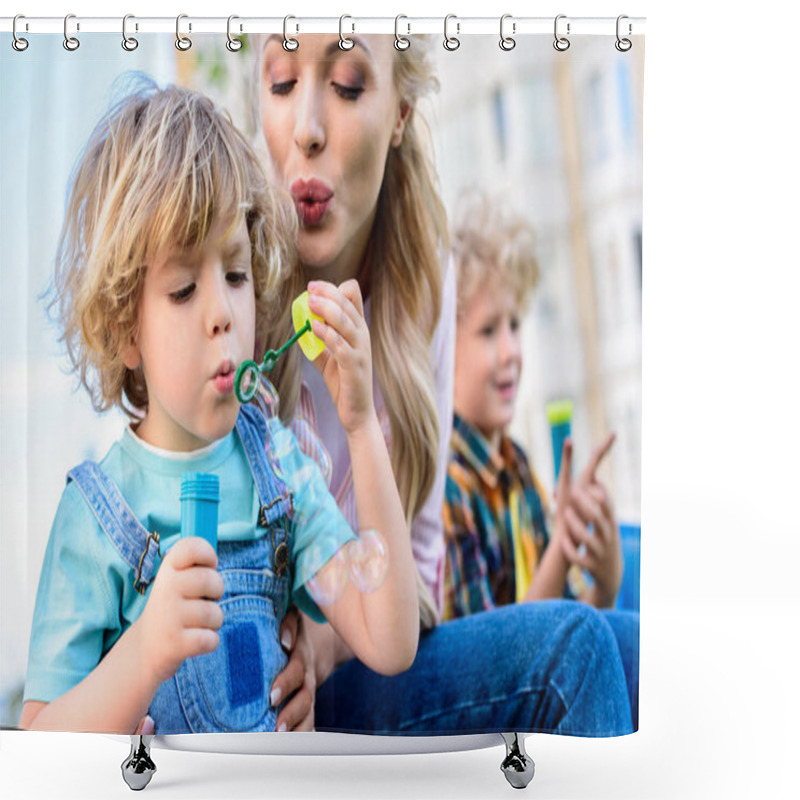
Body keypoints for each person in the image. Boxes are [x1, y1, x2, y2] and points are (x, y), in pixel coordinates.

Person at [256, 34, 634, 736]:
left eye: (344, 83)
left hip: (368, 650)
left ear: (401, 111)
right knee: (577, 649)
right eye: (279, 82)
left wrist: (330, 641)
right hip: (282, 692)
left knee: (633, 642)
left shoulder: (425, 271)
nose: (305, 128)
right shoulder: (236, 281)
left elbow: (419, 584)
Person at [18, 80, 419, 735]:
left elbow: (390, 639)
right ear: (125, 330)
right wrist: (143, 654)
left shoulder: (280, 469)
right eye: (182, 289)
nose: (222, 315)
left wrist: (360, 422)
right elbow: (40, 744)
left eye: (235, 274)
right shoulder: (97, 513)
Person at [443, 189, 639, 728]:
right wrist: (561, 548)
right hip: (490, 718)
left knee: (633, 556)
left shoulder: (518, 466)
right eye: (488, 331)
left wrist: (601, 577)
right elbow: (500, 665)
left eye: (514, 325)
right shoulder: (446, 486)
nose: (510, 350)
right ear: (440, 349)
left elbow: (579, 636)